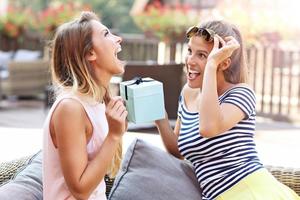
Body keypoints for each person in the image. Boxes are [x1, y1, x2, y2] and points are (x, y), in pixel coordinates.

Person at [155, 20, 300, 200]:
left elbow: (208, 128)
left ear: (223, 63)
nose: (190, 61)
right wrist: (158, 114)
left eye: (202, 55)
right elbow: (179, 150)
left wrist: (211, 65)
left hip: (251, 191)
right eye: (190, 51)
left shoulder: (241, 93)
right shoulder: (188, 93)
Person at [43, 11, 127, 200]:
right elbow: (80, 190)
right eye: (106, 34)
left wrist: (118, 130)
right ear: (90, 53)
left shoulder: (96, 103)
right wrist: (113, 135)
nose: (118, 39)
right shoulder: (70, 108)